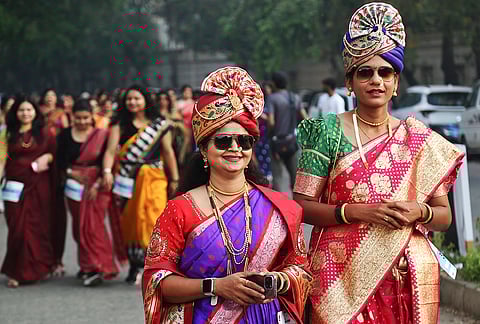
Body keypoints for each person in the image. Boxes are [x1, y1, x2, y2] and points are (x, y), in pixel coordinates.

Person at [293, 3, 465, 323]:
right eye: (365, 72)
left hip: (405, 281)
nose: (376, 80)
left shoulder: (417, 137)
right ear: (350, 81)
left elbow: (443, 217)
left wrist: (420, 211)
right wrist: (358, 212)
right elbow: (302, 205)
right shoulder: (326, 131)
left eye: (385, 72)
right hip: (340, 281)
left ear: (396, 82)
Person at [143, 67, 312, 323]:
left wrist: (278, 280)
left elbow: (302, 271)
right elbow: (157, 281)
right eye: (223, 141)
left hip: (263, 316)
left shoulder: (280, 207)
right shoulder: (180, 210)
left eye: (244, 142)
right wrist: (216, 286)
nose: (235, 148)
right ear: (203, 149)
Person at [102, 85, 180, 284]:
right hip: (127, 177)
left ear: (146, 100)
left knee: (154, 218)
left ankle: (154, 263)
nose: (133, 102)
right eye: (129, 99)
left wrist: (175, 179)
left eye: (137, 98)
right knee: (130, 220)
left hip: (154, 176)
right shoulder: (119, 125)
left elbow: (168, 152)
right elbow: (111, 152)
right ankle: (135, 264)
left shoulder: (159, 125)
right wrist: (107, 172)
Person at [57, 99, 120, 287]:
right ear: (72, 117)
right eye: (78, 118)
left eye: (85, 118)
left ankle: (99, 266)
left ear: (91, 117)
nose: (82, 122)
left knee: (95, 226)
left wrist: (98, 182)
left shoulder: (101, 135)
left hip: (97, 186)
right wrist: (72, 174)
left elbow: (107, 161)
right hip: (74, 186)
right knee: (79, 227)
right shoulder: (65, 135)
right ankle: (86, 266)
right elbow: (60, 162)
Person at [0, 96, 56, 288]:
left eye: (29, 110)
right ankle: (16, 270)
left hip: (38, 186)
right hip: (14, 186)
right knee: (17, 229)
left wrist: (47, 158)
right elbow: (2, 160)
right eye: (21, 110)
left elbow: (53, 154)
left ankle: (38, 268)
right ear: (15, 113)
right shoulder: (7, 133)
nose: (25, 113)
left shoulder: (44, 133)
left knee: (36, 227)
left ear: (35, 112)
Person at [267, 71, 308, 193]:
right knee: (296, 179)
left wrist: (269, 134)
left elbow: (271, 122)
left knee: (279, 178)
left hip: (277, 143)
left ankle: (282, 208)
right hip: (293, 142)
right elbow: (305, 118)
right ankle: (299, 207)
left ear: (274, 83)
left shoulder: (272, 98)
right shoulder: (294, 97)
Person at [158, 90, 188, 167]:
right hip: (157, 148)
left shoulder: (174, 114)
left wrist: (175, 124)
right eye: (160, 99)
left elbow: (185, 132)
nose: (162, 101)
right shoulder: (154, 114)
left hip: (172, 146)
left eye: (165, 99)